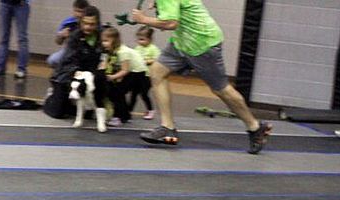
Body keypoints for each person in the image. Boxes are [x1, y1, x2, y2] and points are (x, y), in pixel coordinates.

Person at [132, 0, 272, 154]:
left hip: (202, 43)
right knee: (157, 72)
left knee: (221, 90)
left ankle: (255, 127)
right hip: (182, 42)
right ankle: (167, 127)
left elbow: (171, 23)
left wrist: (143, 20)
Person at [44, 5, 107, 132]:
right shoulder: (75, 37)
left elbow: (110, 53)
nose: (88, 27)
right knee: (58, 113)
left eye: (92, 24)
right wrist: (75, 72)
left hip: (92, 74)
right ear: (80, 22)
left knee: (89, 111)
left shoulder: (103, 36)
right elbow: (68, 61)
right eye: (85, 23)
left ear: (97, 23)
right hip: (73, 72)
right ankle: (52, 95)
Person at [101, 26, 148, 126]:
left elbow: (125, 70)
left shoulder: (122, 52)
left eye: (106, 41)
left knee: (117, 92)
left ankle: (118, 117)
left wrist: (112, 77)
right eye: (102, 41)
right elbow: (107, 64)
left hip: (138, 72)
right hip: (132, 71)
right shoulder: (112, 51)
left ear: (114, 40)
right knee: (117, 92)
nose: (103, 43)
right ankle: (125, 116)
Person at [0, 0, 30, 79]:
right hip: (5, 3)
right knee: (3, 37)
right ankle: (0, 67)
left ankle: (21, 69)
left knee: (22, 38)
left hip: (21, 5)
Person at [47, 0, 90, 68]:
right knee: (52, 60)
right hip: (69, 50)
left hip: (85, 50)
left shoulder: (89, 23)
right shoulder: (67, 22)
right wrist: (61, 35)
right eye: (77, 11)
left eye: (82, 12)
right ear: (73, 10)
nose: (79, 14)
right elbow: (58, 42)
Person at [132, 26, 160, 120]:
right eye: (139, 39)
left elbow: (157, 60)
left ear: (150, 39)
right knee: (134, 93)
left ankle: (151, 110)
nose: (140, 42)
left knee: (144, 93)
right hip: (137, 74)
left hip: (148, 75)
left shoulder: (153, 49)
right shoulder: (137, 48)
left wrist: (148, 61)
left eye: (142, 39)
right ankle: (128, 110)